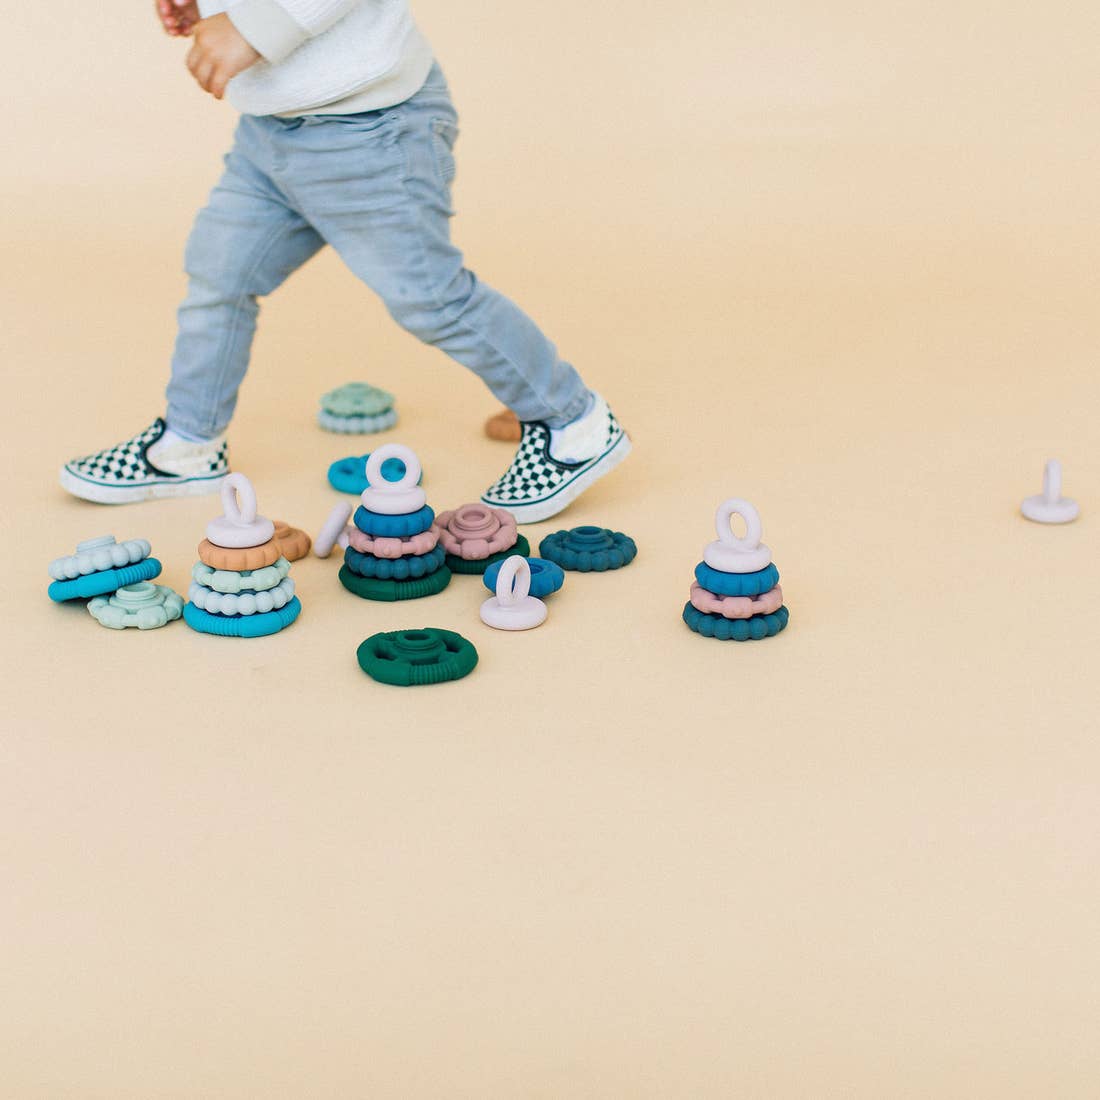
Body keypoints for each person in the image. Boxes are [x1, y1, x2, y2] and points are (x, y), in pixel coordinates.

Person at [60, 0, 631, 523]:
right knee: (219, 275)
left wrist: (253, 27)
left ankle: (572, 424)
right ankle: (187, 445)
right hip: (270, 131)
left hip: (372, 126)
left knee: (431, 298)